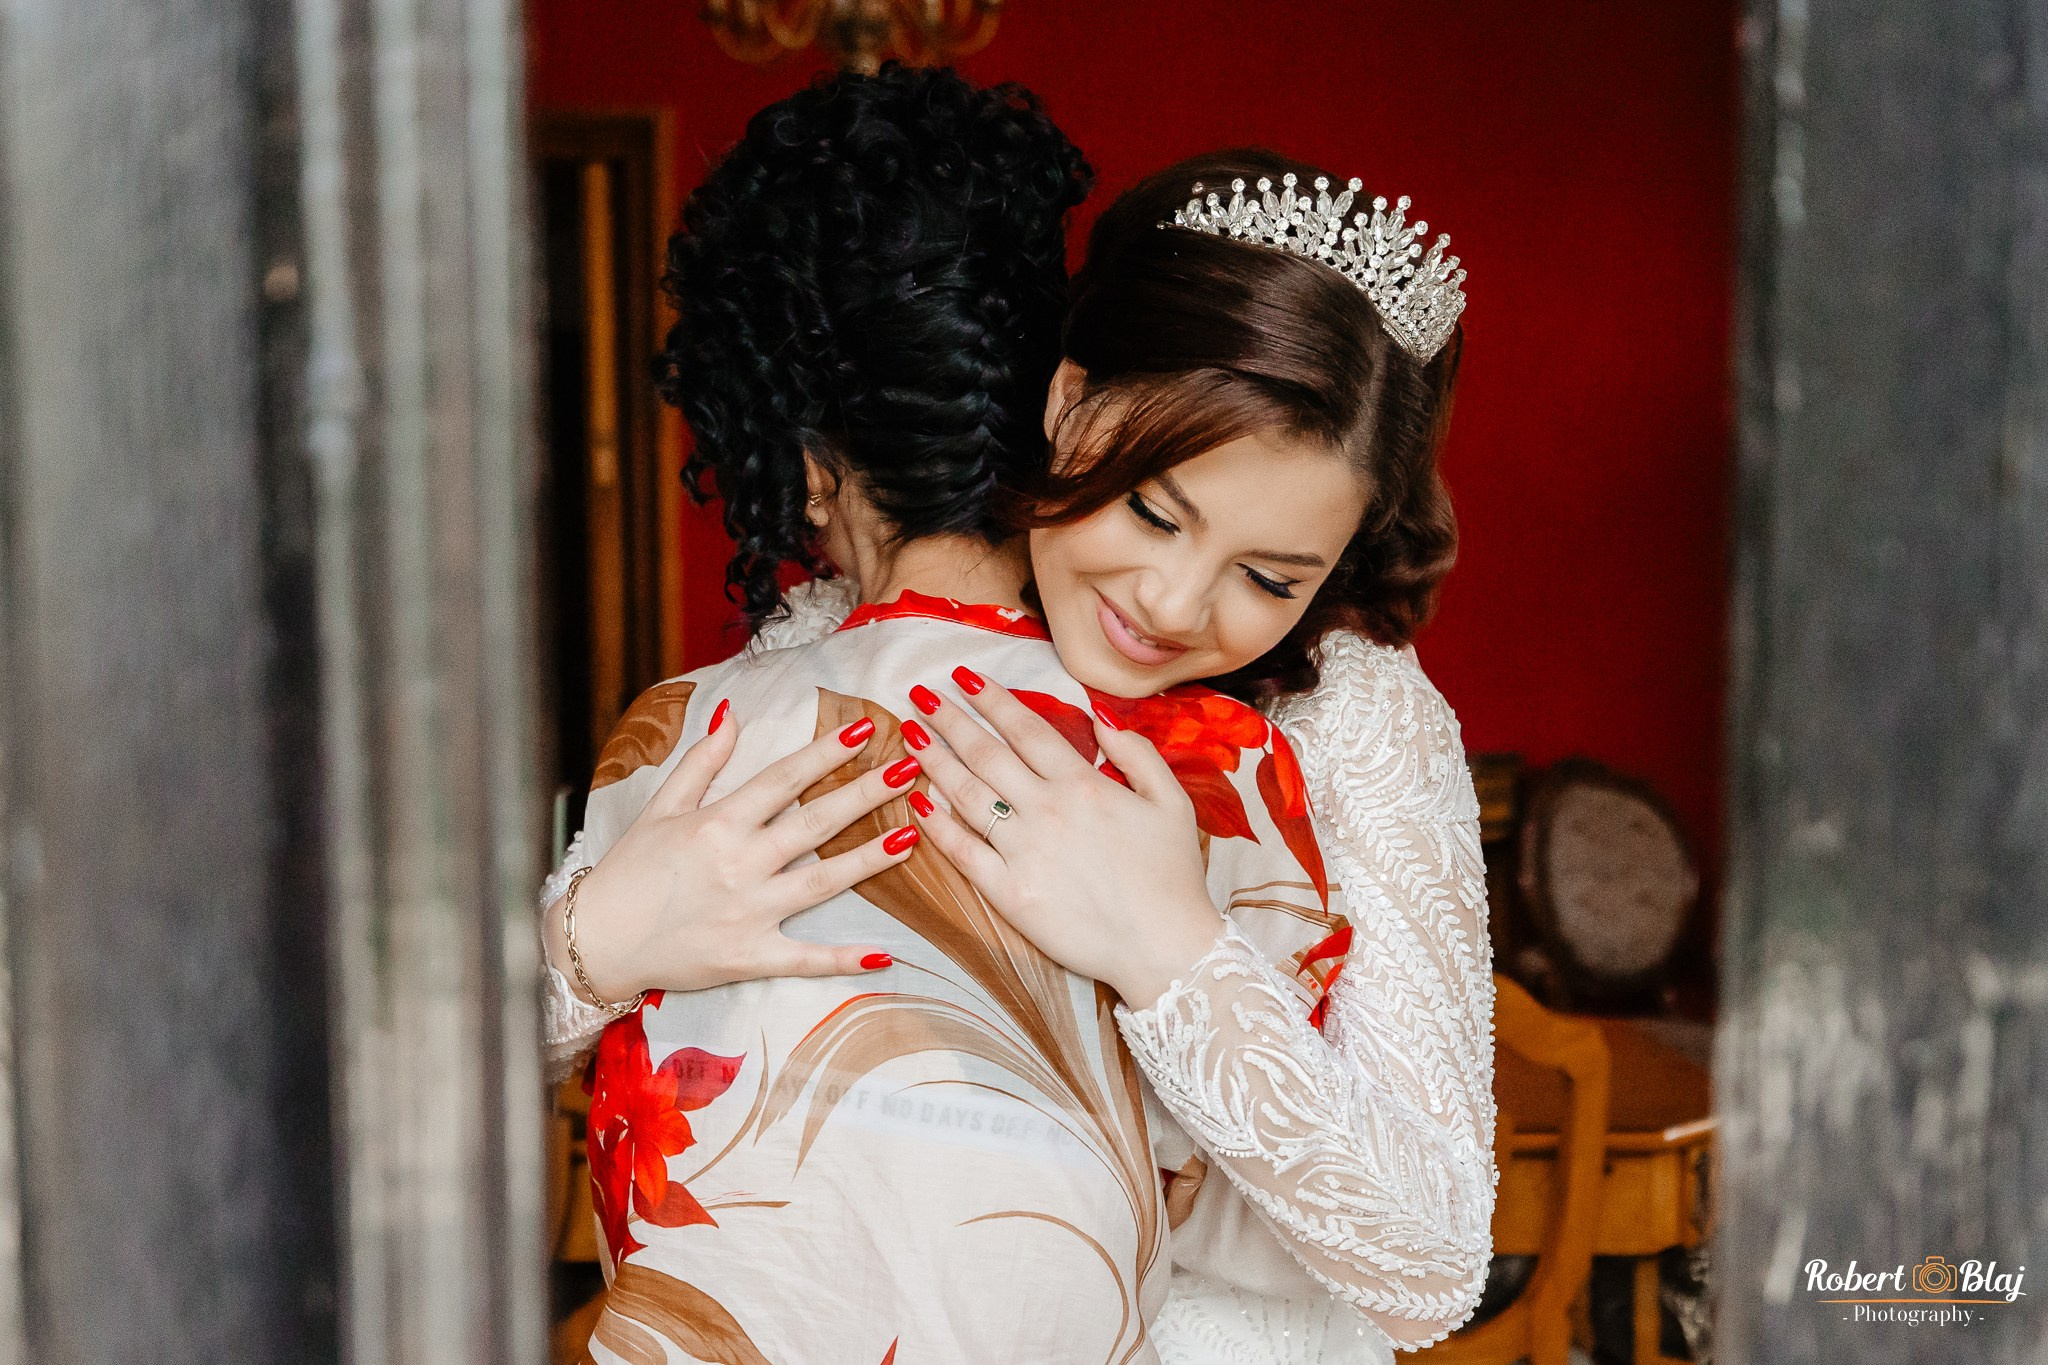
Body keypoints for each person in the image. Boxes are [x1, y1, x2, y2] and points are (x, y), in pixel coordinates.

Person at [546, 73, 1491, 1365]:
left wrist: (1168, 951)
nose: (1171, 601)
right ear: (1067, 405)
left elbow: (1430, 1264)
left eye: (1274, 578)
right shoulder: (817, 656)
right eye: (1152, 510)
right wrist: (594, 942)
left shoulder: (1347, 713)